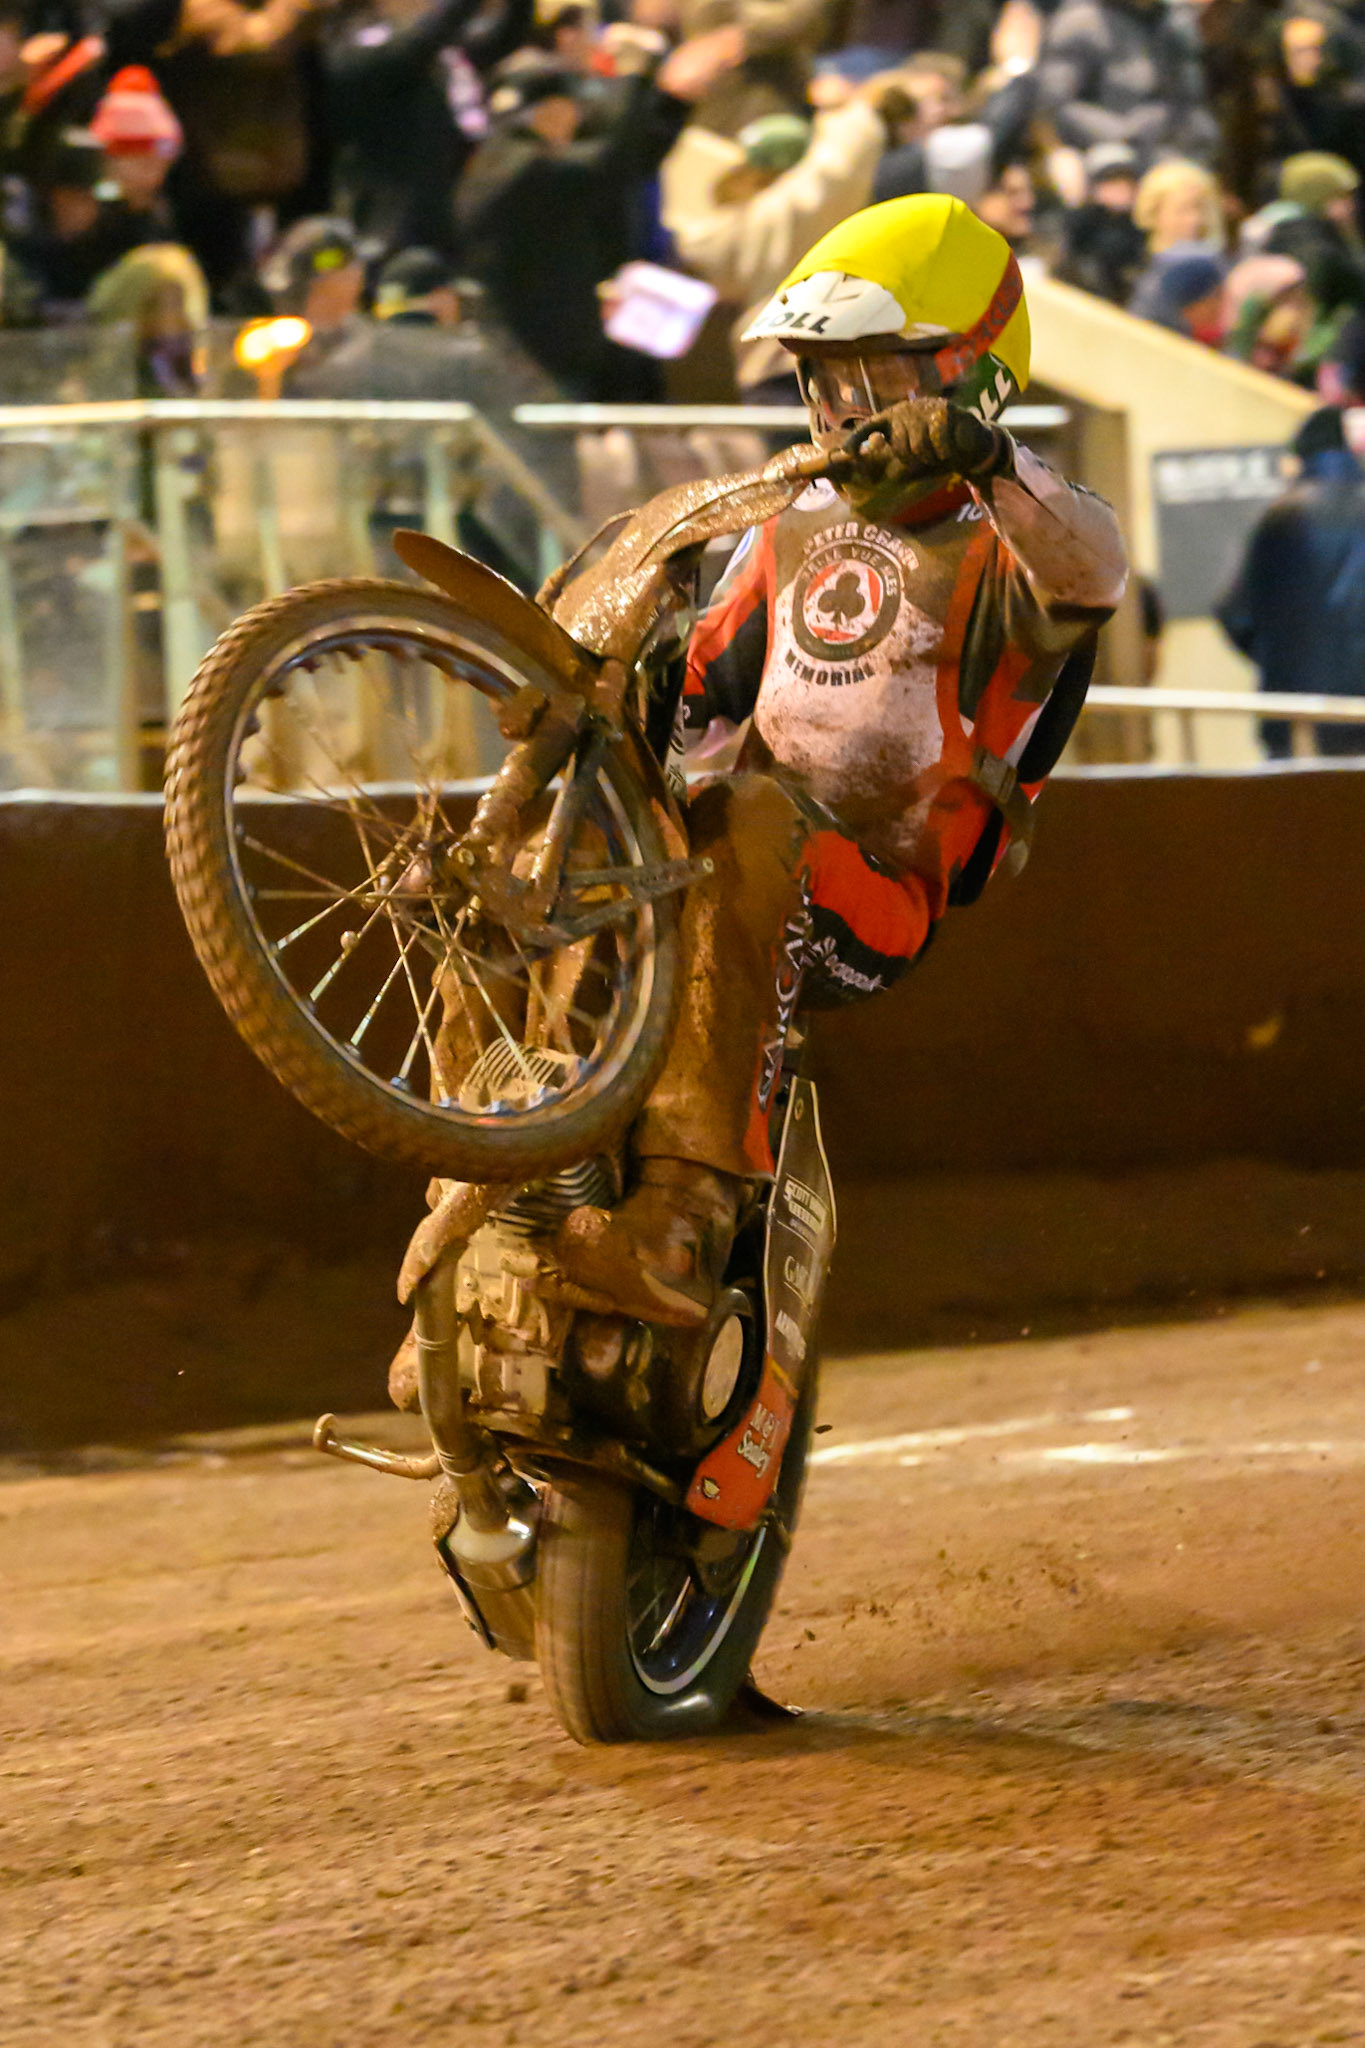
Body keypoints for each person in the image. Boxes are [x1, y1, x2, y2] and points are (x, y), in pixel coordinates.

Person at [554, 193, 1127, 1325]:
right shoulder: (789, 523)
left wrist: (986, 455)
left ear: (972, 374)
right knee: (554, 844)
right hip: (721, 853)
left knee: (750, 823)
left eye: (876, 380)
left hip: (871, 898)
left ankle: (677, 1218)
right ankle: (480, 1199)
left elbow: (1096, 569)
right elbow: (699, 694)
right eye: (823, 380)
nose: (842, 411)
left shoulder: (1019, 533)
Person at [1217, 405, 1365, 757]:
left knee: (1301, 807)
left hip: (1297, 716)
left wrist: (1278, 657)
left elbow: (1234, 613)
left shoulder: (1282, 515)